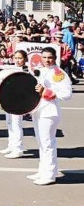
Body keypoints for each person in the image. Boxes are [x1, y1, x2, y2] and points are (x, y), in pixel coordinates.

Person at [28, 47, 72, 185]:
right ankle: (43, 170)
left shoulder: (59, 73)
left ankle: (50, 175)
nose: (47, 60)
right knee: (41, 143)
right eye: (44, 57)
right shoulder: (40, 71)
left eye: (50, 57)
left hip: (50, 112)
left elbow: (67, 94)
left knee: (48, 144)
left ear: (55, 58)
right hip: (38, 110)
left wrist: (47, 91)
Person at [0, 50, 28, 159]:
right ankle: (11, 145)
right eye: (16, 58)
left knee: (16, 124)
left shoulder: (27, 70)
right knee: (9, 122)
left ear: (25, 59)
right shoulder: (10, 68)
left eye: (20, 58)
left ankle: (18, 148)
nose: (18, 60)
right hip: (9, 100)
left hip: (19, 101)